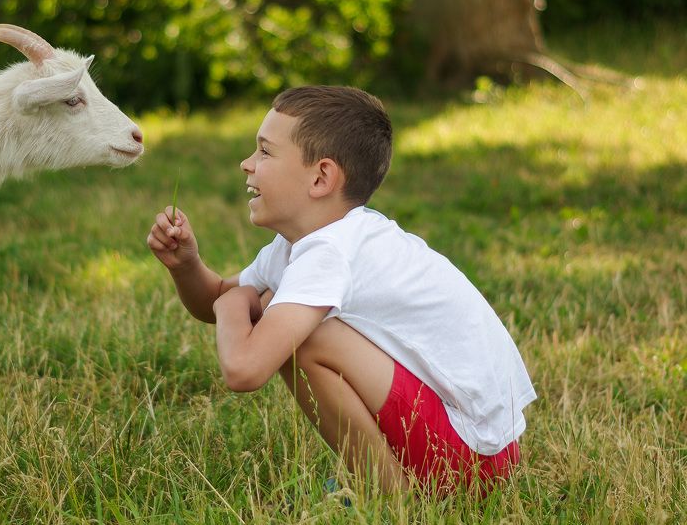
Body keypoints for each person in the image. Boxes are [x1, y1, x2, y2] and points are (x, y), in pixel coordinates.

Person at [146, 86, 536, 496]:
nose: (247, 163)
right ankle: (390, 481)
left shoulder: (330, 253)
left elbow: (244, 368)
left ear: (321, 178)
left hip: (471, 455)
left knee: (302, 336)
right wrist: (187, 266)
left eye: (264, 152)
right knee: (276, 311)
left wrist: (232, 304)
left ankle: (390, 498)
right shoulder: (310, 243)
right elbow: (216, 301)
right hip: (476, 447)